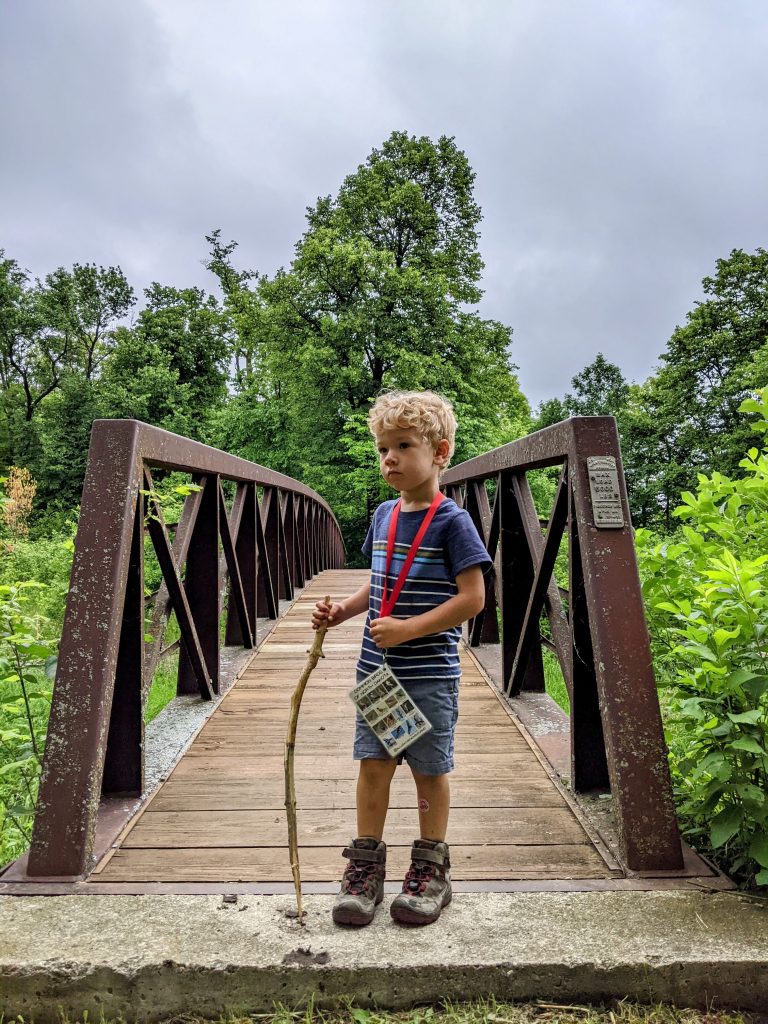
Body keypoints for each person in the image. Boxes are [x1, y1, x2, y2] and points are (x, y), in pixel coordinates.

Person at [311, 390, 492, 927]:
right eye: (382, 448)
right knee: (374, 763)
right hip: (378, 673)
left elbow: (473, 599)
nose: (388, 458)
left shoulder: (451, 523)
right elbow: (381, 583)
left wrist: (409, 628)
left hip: (429, 674)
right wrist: (342, 610)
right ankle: (365, 868)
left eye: (402, 446)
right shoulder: (385, 515)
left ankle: (431, 870)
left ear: (439, 452)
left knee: (429, 770)